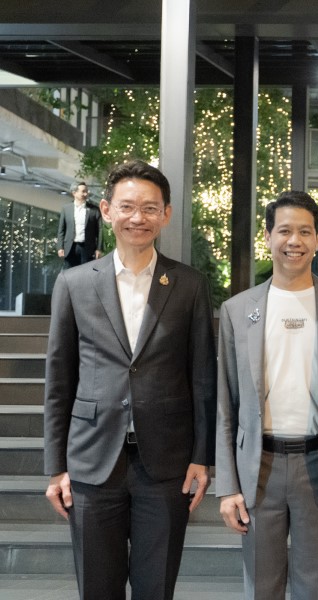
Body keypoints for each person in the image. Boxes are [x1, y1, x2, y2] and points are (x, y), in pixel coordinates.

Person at [43, 160, 216, 599]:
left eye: (150, 208)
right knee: (97, 588)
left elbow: (202, 378)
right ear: (106, 210)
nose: (138, 217)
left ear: (166, 214)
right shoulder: (74, 284)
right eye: (127, 206)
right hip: (91, 460)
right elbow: (59, 381)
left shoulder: (189, 284)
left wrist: (202, 457)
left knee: (156, 587)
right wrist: (56, 467)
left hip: (166, 463)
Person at [216, 191, 318, 599]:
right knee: (261, 587)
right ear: (268, 237)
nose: (294, 241)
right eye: (284, 231)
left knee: (313, 586)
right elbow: (226, 406)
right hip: (258, 466)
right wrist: (227, 485)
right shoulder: (237, 310)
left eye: (305, 231)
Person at [57, 180, 103, 268]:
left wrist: (99, 248)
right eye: (83, 191)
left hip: (87, 248)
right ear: (74, 193)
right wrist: (60, 247)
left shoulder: (94, 210)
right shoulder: (66, 209)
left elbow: (100, 230)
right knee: (70, 272)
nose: (86, 194)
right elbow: (61, 230)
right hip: (70, 247)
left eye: (86, 191)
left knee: (86, 272)